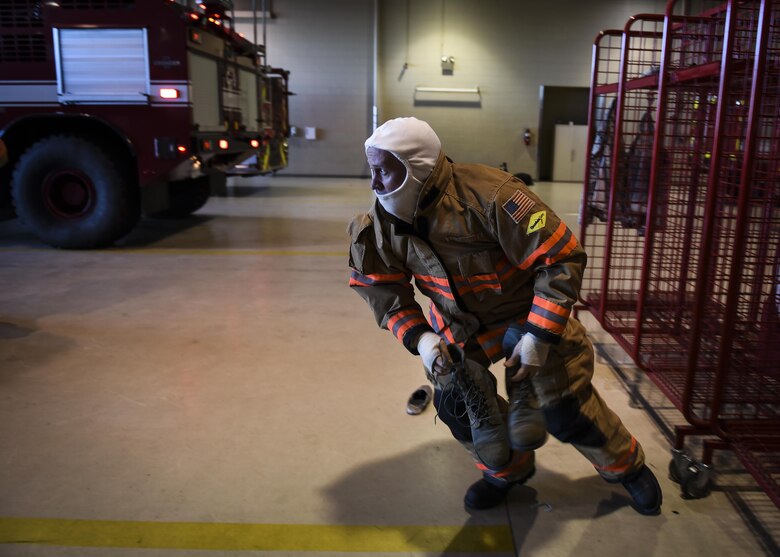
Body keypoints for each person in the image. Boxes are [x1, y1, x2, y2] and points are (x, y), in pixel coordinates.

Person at [347, 117, 662, 514]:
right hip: (458, 329)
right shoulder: (381, 226)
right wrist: (424, 341)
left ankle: (625, 467)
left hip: (526, 315)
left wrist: (538, 336)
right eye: (372, 170)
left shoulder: (492, 196)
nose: (374, 184)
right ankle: (506, 470)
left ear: (416, 167)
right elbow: (379, 286)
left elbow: (561, 257)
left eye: (384, 170)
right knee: (455, 407)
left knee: (565, 410)